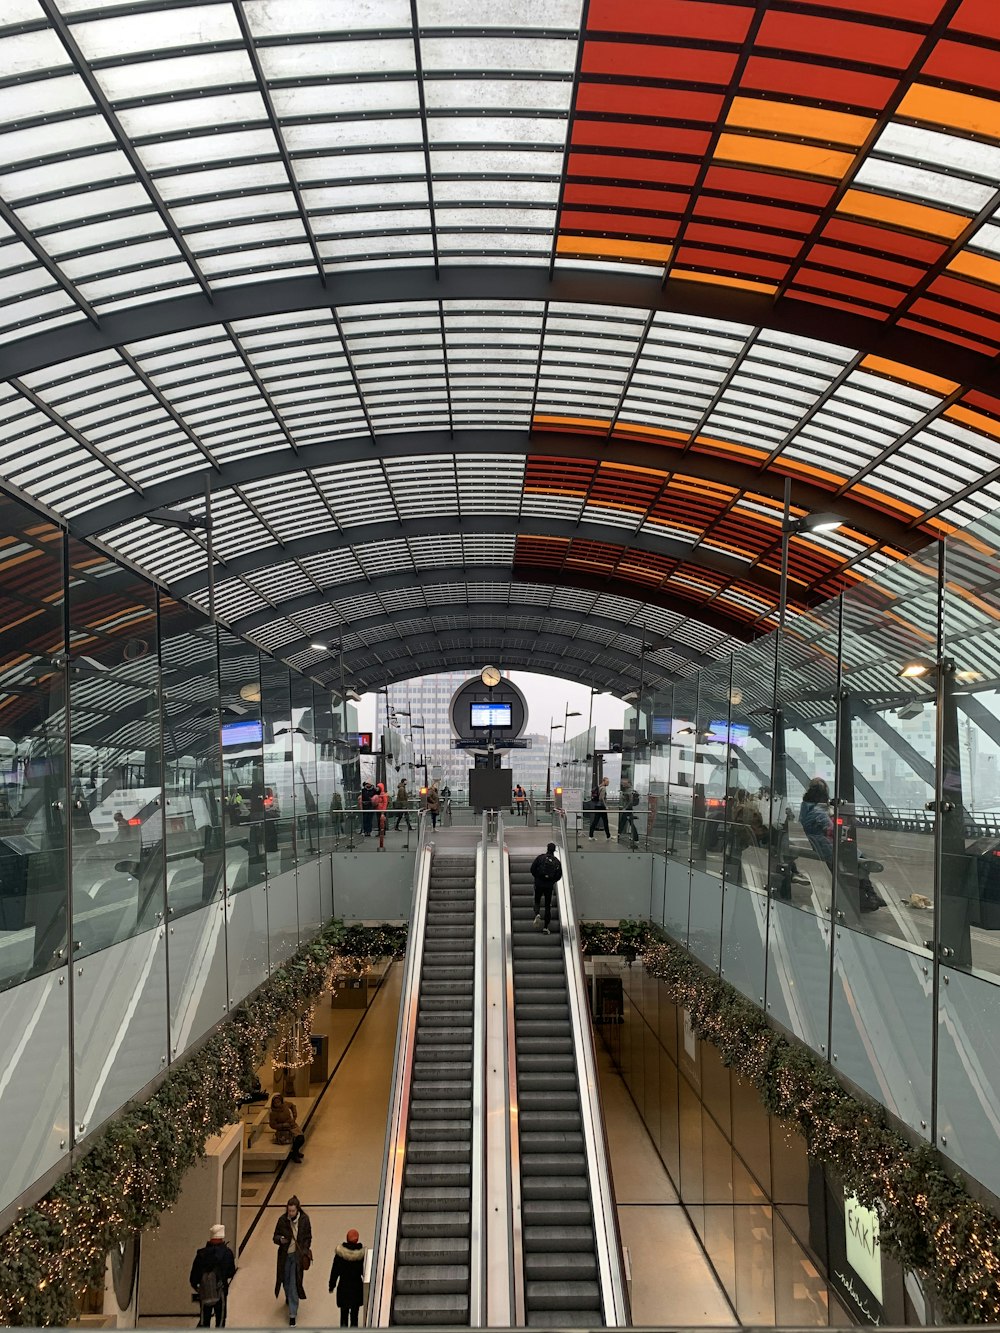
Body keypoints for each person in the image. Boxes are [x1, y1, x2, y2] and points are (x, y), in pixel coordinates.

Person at [273, 1195, 312, 1326]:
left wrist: (305, 1250)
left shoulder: (305, 1220)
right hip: (285, 1256)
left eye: (293, 1211)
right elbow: (275, 1236)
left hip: (297, 1257)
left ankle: (292, 1314)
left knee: (294, 1285)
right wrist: (280, 1240)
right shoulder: (282, 1220)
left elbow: (308, 1237)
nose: (290, 1213)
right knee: (285, 1281)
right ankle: (289, 1297)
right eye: (289, 1211)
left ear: (297, 1210)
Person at [190, 1223, 236, 1328]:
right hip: (221, 1291)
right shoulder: (227, 1253)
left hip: (204, 1292)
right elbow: (231, 1272)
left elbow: (193, 1277)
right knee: (220, 1319)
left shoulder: (201, 1254)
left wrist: (199, 1287)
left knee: (204, 1320)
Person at [328, 1227, 366, 1328]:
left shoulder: (340, 1254)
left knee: (343, 1314)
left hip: (344, 1287)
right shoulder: (361, 1255)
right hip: (356, 1288)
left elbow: (335, 1271)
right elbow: (364, 1272)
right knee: (354, 1316)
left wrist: (332, 1285)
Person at [799, 778, 834, 865]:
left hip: (814, 846)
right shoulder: (819, 813)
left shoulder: (805, 810)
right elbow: (831, 830)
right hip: (824, 848)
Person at [530, 842, 563, 934]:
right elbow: (559, 875)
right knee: (548, 905)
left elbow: (532, 869)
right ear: (554, 850)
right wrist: (551, 881)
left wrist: (537, 878)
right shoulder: (556, 861)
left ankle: (537, 914)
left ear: (547, 848)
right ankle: (545, 927)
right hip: (549, 886)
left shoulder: (541, 858)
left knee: (537, 900)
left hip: (539, 883)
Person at [269, 1093, 305, 1163]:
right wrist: (282, 1125)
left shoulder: (285, 1105)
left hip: (292, 1125)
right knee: (297, 1139)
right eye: (275, 1103)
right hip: (283, 1129)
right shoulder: (273, 1113)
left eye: (278, 1102)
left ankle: (296, 1151)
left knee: (301, 1138)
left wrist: (294, 1115)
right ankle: (294, 1154)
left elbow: (292, 1105)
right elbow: (272, 1125)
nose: (277, 1104)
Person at [372, 781, 389, 849]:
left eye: (378, 787)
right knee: (379, 821)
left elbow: (385, 802)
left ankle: (382, 831)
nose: (377, 788)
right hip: (378, 809)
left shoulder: (383, 794)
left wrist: (383, 811)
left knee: (381, 821)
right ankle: (380, 831)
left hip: (381, 810)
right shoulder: (378, 794)